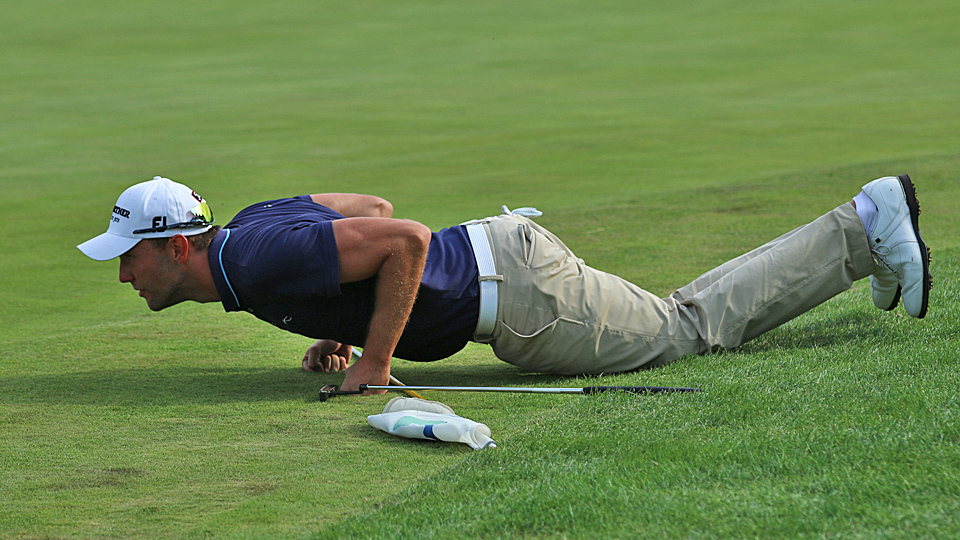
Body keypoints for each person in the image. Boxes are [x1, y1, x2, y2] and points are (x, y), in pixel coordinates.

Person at [77, 175, 931, 394]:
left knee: (686, 329)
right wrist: (342, 319)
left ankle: (863, 227)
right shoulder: (252, 235)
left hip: (520, 296)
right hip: (503, 261)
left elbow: (403, 237)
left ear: (179, 249)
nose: (122, 271)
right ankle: (865, 244)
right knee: (681, 318)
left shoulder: (251, 262)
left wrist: (374, 361)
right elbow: (369, 209)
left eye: (130, 254)